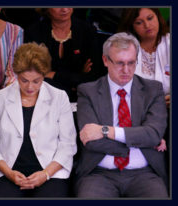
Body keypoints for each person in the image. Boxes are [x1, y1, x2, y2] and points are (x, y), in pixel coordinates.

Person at [73, 32, 168, 198]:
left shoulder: (153, 90)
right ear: (105, 60)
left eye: (131, 63)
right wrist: (141, 141)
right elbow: (90, 141)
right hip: (98, 174)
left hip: (145, 174)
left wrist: (105, 131)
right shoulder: (88, 92)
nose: (126, 70)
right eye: (119, 63)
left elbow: (153, 134)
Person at [0, 42, 77, 197]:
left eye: (36, 81)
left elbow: (68, 145)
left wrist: (45, 174)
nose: (30, 87)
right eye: (24, 80)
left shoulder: (59, 97)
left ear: (44, 75)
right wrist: (9, 173)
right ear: (16, 75)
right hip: (7, 172)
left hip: (49, 172)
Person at [24, 8, 104, 103]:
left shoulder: (87, 31)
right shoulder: (34, 32)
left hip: (81, 99)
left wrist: (53, 74)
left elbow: (93, 77)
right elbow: (34, 76)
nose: (64, 9)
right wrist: (77, 78)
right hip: (45, 98)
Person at [118, 8, 170, 108]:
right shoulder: (123, 49)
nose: (147, 25)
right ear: (131, 26)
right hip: (139, 111)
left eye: (150, 18)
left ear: (158, 17)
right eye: (139, 23)